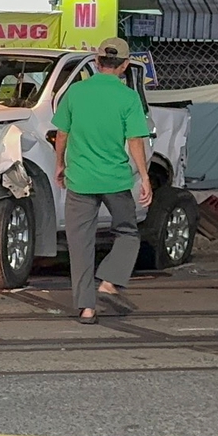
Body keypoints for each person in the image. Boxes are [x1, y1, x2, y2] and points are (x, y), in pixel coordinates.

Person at [52, 38, 151, 323]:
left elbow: (61, 134)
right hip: (116, 180)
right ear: (124, 65)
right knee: (128, 233)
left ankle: (87, 308)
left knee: (80, 244)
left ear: (96, 63)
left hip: (80, 179)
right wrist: (144, 177)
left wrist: (60, 165)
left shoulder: (76, 92)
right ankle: (109, 281)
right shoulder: (128, 97)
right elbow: (135, 140)